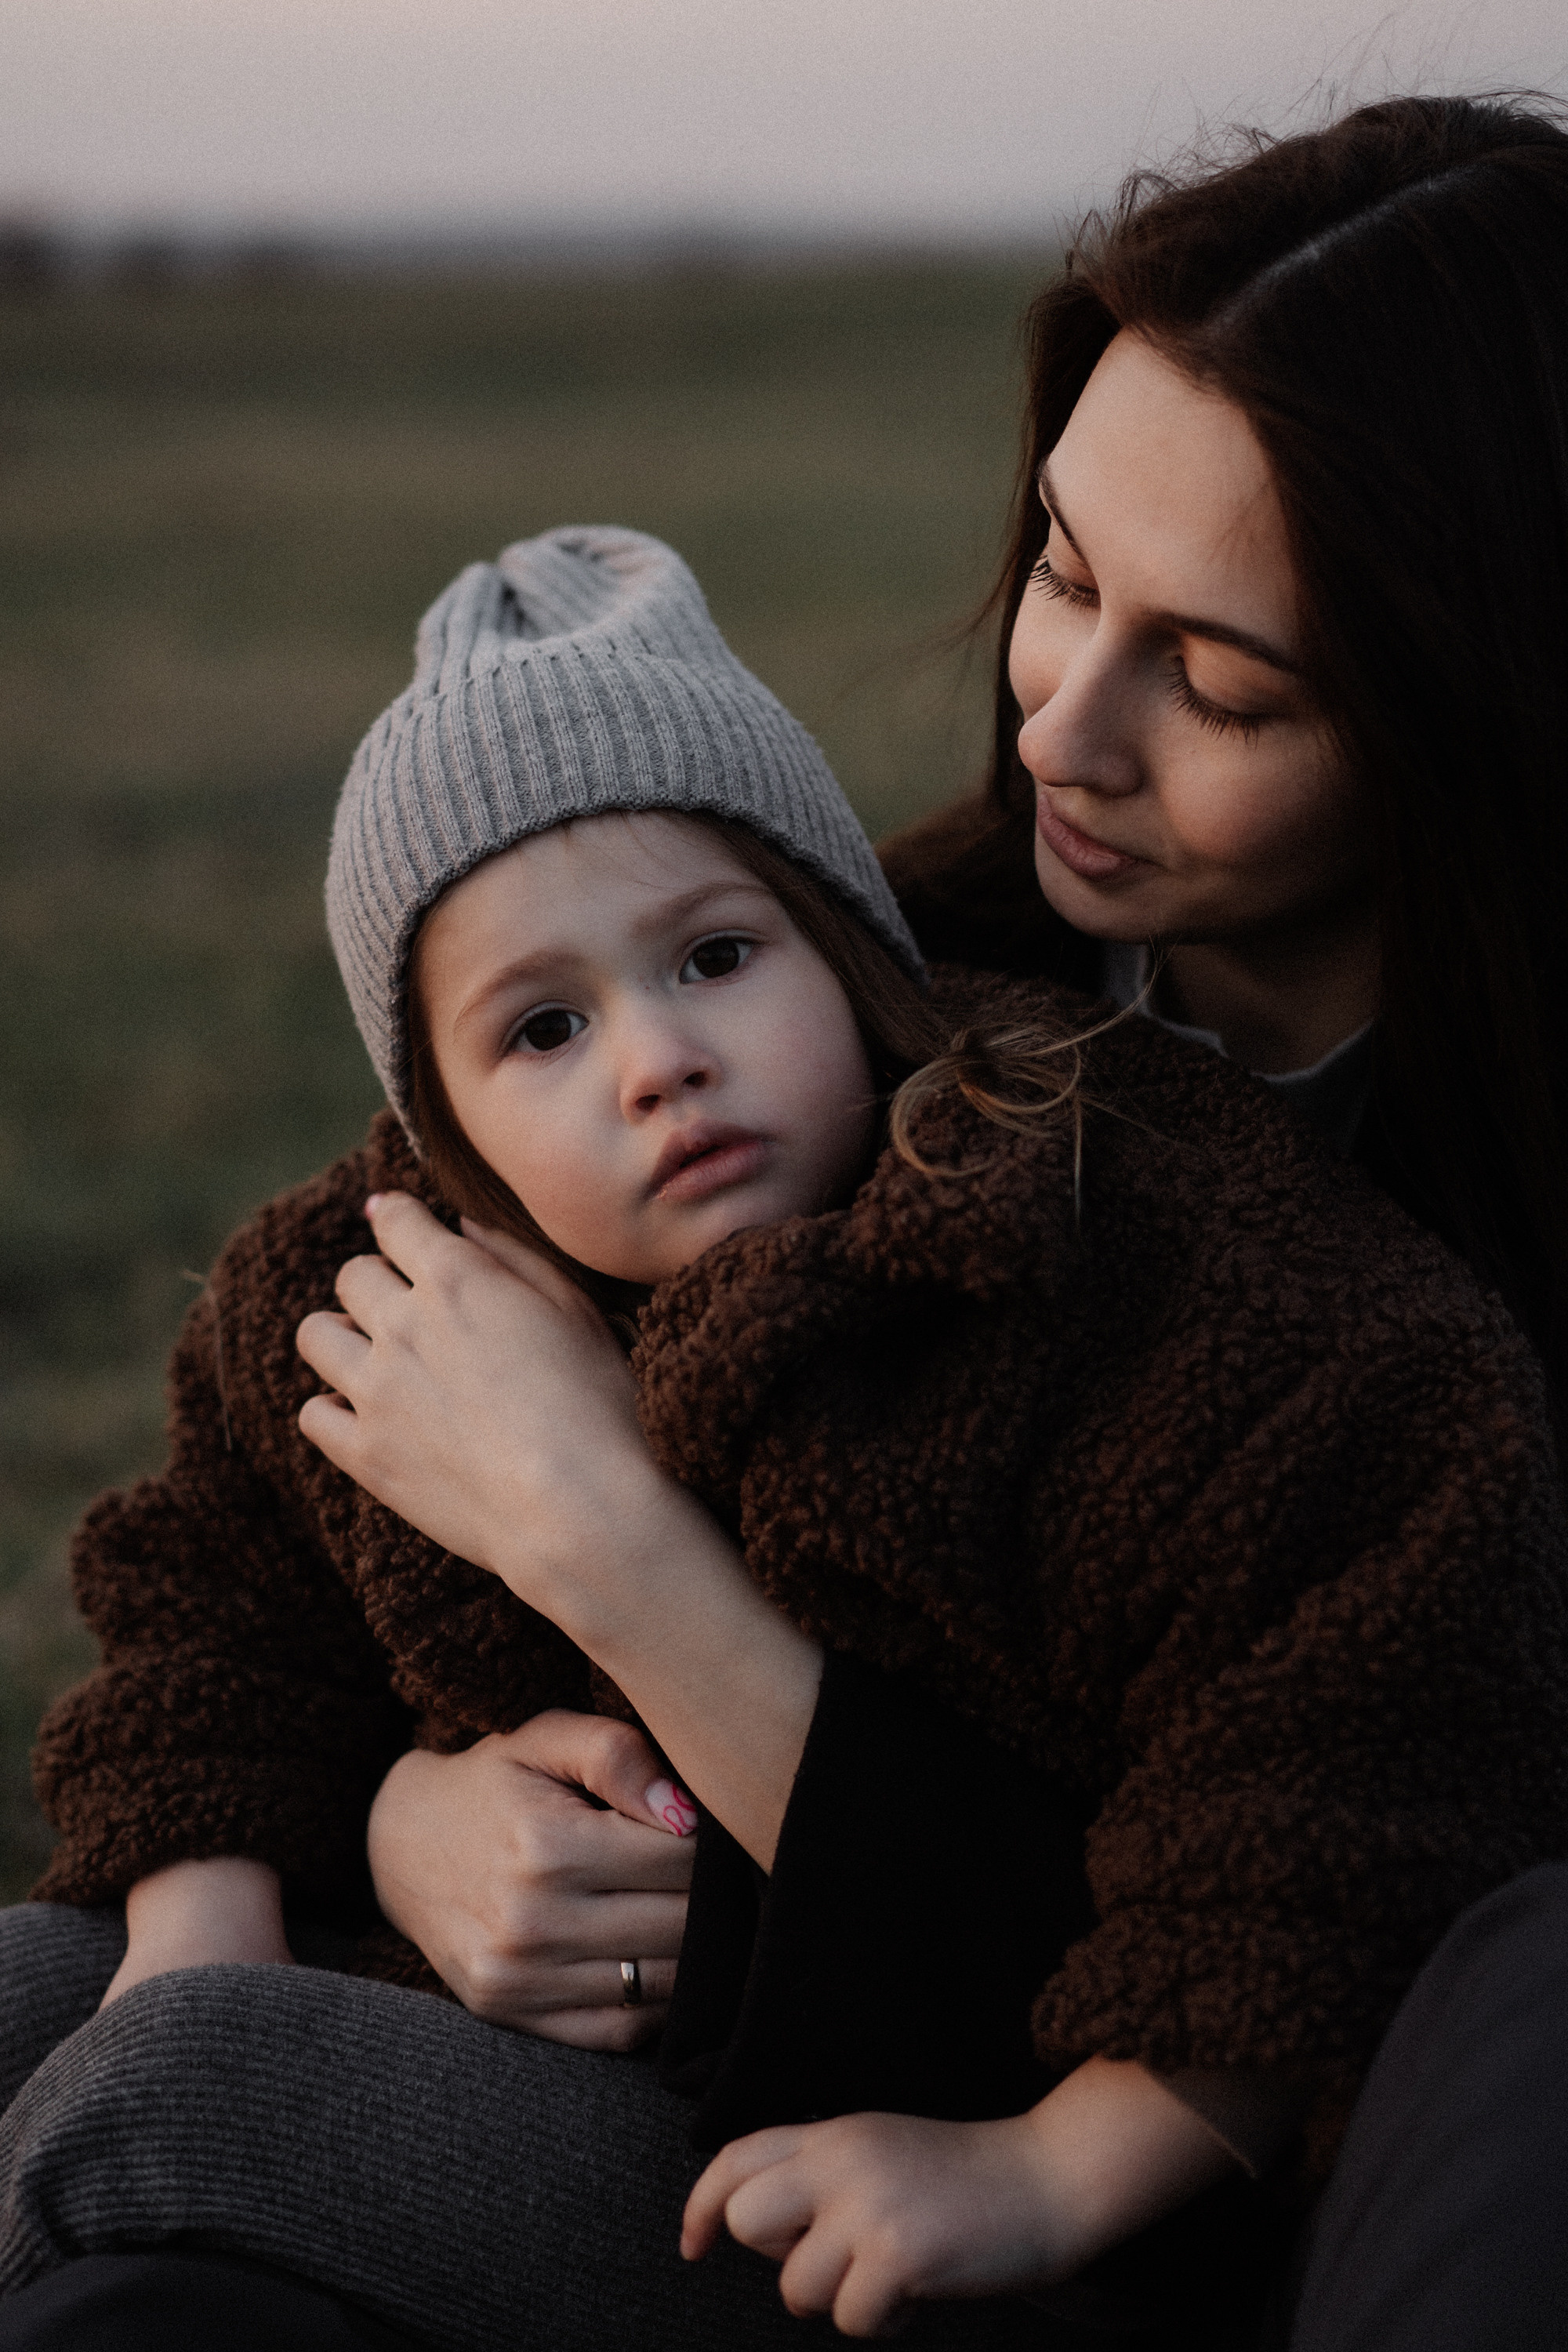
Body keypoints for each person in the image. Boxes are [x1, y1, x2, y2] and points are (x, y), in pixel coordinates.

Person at [2, 85, 1567, 2350]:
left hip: (1042, 2171)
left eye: (1217, 680)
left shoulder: (1377, 1343)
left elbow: (1307, 1913)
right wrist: (401, 1819)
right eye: (1059, 569)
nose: (1058, 728)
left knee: (171, 2120)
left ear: (1480, 716)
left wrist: (613, 1550)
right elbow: (238, 1565)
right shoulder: (856, 978)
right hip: (637, 2024)